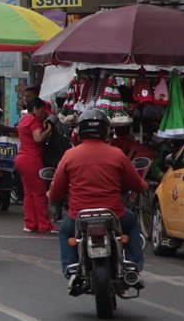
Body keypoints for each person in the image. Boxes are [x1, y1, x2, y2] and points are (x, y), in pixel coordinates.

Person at [47, 108, 148, 294]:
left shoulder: (70, 155)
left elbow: (57, 190)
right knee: (132, 222)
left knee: (64, 231)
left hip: (79, 216)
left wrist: (51, 198)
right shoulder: (117, 154)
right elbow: (137, 184)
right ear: (106, 131)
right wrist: (142, 187)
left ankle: (71, 269)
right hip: (114, 214)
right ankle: (133, 265)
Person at [16, 96, 55, 233]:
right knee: (39, 193)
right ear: (35, 109)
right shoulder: (34, 120)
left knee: (28, 194)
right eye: (42, 110)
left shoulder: (23, 120)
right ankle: (44, 225)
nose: (43, 114)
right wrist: (49, 129)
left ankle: (30, 223)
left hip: (21, 159)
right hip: (32, 160)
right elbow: (38, 138)